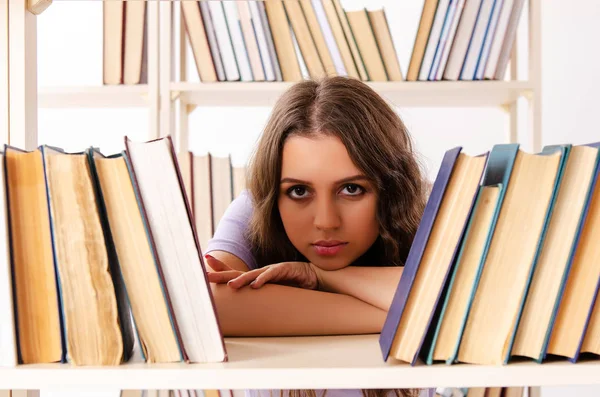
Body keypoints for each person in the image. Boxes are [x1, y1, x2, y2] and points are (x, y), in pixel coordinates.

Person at [203, 76, 431, 397]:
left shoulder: (429, 212)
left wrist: (319, 275)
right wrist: (410, 314)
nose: (326, 222)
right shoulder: (256, 207)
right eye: (298, 191)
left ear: (389, 191)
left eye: (351, 189)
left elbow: (461, 298)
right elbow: (205, 305)